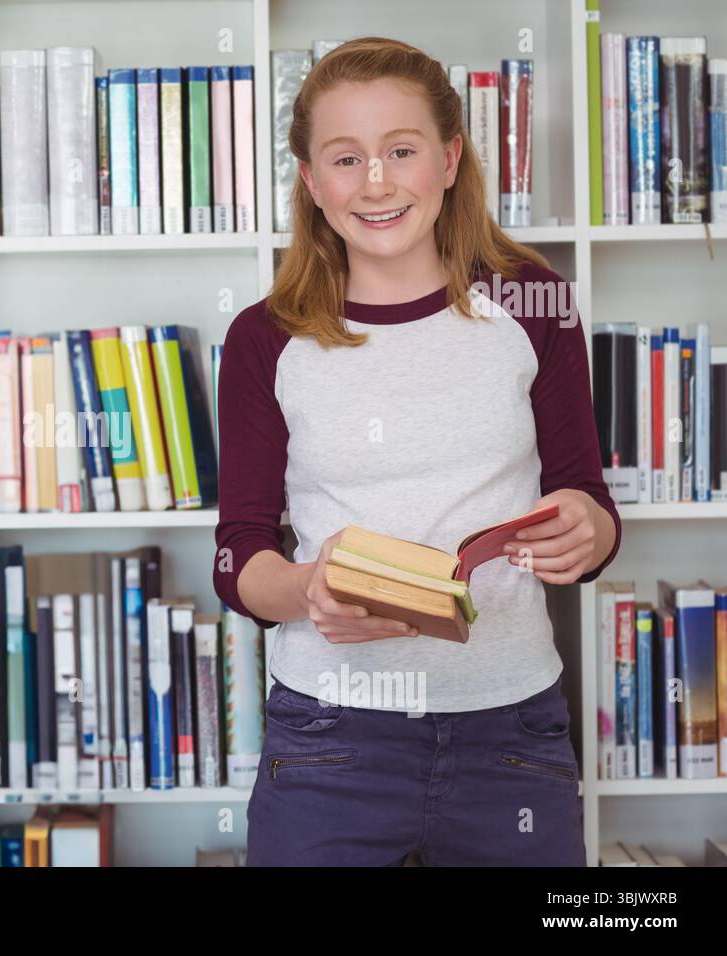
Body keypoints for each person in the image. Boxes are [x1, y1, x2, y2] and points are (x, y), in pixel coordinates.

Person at [213, 37, 620, 866]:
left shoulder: (535, 303)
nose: (376, 182)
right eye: (345, 157)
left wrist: (587, 528)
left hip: (512, 731)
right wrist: (306, 591)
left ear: (449, 158)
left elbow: (589, 500)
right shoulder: (263, 339)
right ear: (310, 179)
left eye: (401, 151)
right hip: (330, 738)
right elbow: (237, 553)